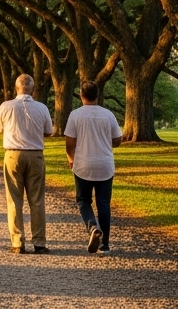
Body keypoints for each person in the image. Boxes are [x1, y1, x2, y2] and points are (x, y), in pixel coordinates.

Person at [0, 74, 54, 254]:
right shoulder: (41, 108)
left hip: (13, 154)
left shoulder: (6, 106)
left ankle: (18, 242)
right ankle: (39, 242)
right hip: (35, 155)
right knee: (37, 200)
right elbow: (49, 131)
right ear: (32, 88)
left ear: (16, 87)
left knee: (14, 200)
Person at [64, 80, 122, 254]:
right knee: (103, 203)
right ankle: (105, 244)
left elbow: (69, 143)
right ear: (98, 95)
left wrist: (71, 158)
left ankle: (92, 227)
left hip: (83, 163)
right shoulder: (108, 115)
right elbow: (118, 140)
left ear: (81, 96)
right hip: (105, 164)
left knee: (83, 201)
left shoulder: (75, 115)